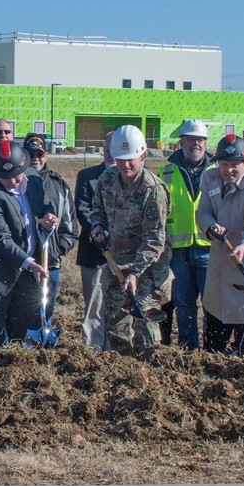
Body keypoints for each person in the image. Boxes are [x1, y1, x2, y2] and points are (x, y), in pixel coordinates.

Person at [0, 140, 57, 346]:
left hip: (25, 272)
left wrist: (48, 214)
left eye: (16, 174)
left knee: (20, 325)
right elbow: (0, 239)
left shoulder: (33, 179)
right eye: (4, 177)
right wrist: (30, 263)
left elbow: (43, 205)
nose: (12, 181)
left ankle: (16, 362)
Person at [91, 125, 172, 355]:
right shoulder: (107, 179)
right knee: (116, 325)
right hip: (116, 261)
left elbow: (154, 240)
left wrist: (135, 274)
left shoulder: (153, 191)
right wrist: (98, 227)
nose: (125, 166)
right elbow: (98, 208)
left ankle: (150, 375)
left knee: (145, 323)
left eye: (131, 160)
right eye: (120, 159)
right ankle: (123, 372)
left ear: (143, 156)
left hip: (148, 267)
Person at [195, 134, 244, 355]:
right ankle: (213, 362)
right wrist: (211, 226)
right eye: (224, 164)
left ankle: (243, 364)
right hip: (222, 260)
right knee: (216, 314)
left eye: (234, 166)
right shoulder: (210, 177)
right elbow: (202, 211)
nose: (228, 170)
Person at [158, 119, 213, 350]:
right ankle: (188, 348)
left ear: (206, 143)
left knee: (212, 304)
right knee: (184, 303)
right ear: (181, 142)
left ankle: (212, 348)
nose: (195, 144)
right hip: (179, 251)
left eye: (199, 140)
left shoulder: (217, 171)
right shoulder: (165, 171)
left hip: (210, 247)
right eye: (190, 139)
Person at [24, 133, 78, 330]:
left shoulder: (59, 185)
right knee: (23, 308)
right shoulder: (17, 182)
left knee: (46, 307)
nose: (36, 158)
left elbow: (70, 227)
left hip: (51, 262)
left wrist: (58, 249)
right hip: (24, 262)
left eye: (40, 154)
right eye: (31, 154)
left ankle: (44, 342)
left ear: (46, 155)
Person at [74, 132, 114, 350]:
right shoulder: (87, 175)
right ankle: (93, 349)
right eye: (108, 147)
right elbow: (82, 209)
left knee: (117, 305)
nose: (111, 151)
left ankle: (114, 349)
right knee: (94, 305)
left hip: (122, 254)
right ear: (103, 149)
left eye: (116, 147)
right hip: (94, 252)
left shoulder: (131, 177)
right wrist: (99, 232)